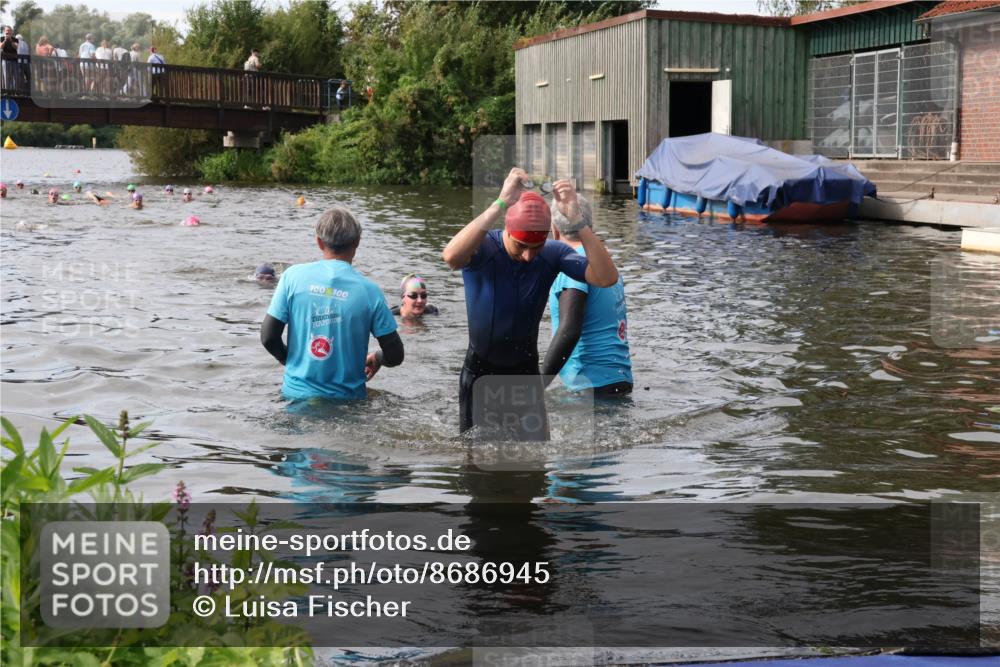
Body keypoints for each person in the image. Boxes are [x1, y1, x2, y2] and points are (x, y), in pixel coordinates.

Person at [441, 168, 619, 438]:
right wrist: (501, 202)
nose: (528, 256)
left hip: (525, 373)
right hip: (479, 373)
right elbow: (451, 257)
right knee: (473, 456)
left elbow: (606, 277)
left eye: (536, 247)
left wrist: (578, 221)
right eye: (520, 245)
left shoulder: (553, 253)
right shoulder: (484, 248)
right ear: (507, 231)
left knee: (537, 458)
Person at [261, 207, 404, 401]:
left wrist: (290, 361)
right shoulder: (370, 291)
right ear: (357, 241)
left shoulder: (292, 277)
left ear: (319, 242)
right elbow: (395, 355)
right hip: (348, 402)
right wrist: (378, 358)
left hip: (295, 397)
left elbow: (268, 337)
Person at [541, 195, 633, 398]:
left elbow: (569, 331)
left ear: (554, 229)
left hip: (589, 385)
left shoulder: (572, 265)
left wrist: (537, 385)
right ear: (590, 226)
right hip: (620, 379)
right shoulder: (604, 265)